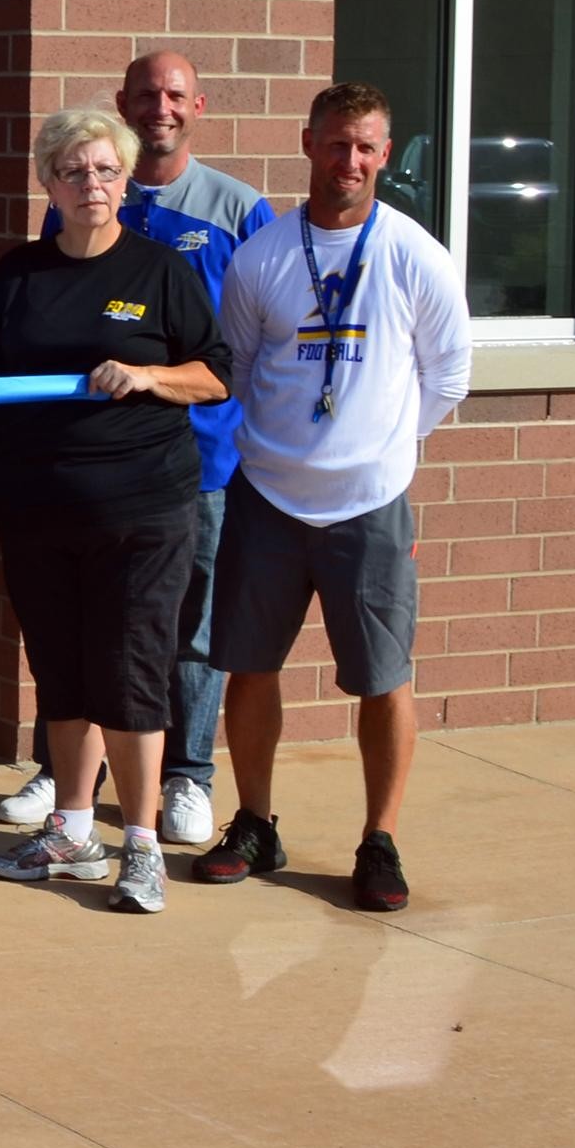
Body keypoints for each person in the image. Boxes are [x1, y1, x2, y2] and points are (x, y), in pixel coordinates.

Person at [0, 109, 232, 916]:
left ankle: (139, 845)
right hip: (34, 506)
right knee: (60, 672)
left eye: (103, 170)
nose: (89, 185)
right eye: (72, 171)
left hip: (142, 510)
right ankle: (71, 829)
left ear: (125, 179)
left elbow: (216, 375)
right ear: (47, 184)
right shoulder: (19, 273)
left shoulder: (162, 272)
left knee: (128, 672)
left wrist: (151, 377)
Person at [197, 81, 470, 911]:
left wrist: (378, 448)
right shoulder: (264, 256)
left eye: (366, 146)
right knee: (249, 667)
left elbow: (449, 375)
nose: (348, 160)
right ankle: (253, 821)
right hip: (268, 497)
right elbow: (237, 371)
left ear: (384, 155)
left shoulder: (415, 253)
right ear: (307, 142)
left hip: (371, 505)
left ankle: (378, 840)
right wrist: (293, 450)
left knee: (384, 679)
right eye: (335, 142)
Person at [0, 50, 272, 850]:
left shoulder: (237, 209)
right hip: (72, 473)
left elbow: (240, 347)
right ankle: (70, 789)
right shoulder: (63, 222)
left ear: (199, 106)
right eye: (146, 95)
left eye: (176, 96)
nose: (162, 108)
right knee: (85, 639)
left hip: (195, 460)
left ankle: (187, 776)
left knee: (178, 632)